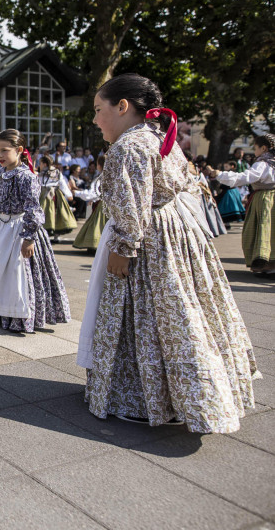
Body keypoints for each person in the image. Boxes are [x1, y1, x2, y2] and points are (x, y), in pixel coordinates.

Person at [80, 73, 256, 432]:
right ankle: (183, 394)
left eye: (99, 110)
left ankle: (143, 397)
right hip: (177, 234)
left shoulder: (128, 147)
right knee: (180, 313)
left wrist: (125, 249)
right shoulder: (160, 137)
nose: (95, 120)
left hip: (149, 242)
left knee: (144, 314)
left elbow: (133, 207)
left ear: (123, 107)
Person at [0, 129, 70, 334]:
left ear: (19, 150)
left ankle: (19, 315)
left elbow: (33, 207)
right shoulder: (0, 173)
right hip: (2, 227)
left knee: (18, 272)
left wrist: (29, 237)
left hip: (19, 228)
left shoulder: (27, 177)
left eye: (4, 151)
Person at [207, 133, 275, 275]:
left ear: (263, 148)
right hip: (271, 199)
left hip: (265, 200)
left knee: (262, 230)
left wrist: (219, 174)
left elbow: (245, 177)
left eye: (255, 148)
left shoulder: (262, 163)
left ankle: (266, 264)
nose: (254, 151)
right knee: (271, 231)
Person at [72, 156, 107, 253]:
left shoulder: (100, 178)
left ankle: (95, 245)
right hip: (111, 207)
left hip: (102, 205)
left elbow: (93, 193)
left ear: (99, 166)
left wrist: (77, 193)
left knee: (97, 226)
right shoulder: (115, 176)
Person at [37, 156, 76, 241]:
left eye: (40, 163)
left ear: (44, 164)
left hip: (51, 195)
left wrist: (69, 194)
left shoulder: (54, 172)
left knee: (56, 214)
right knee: (50, 214)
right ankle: (50, 235)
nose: (39, 165)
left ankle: (55, 235)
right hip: (47, 195)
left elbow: (62, 184)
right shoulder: (42, 173)